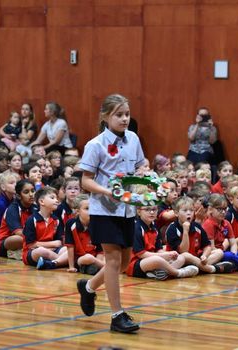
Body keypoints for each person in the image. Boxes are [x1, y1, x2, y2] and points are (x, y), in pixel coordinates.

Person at [76, 94, 145, 333]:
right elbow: (86, 181)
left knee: (124, 262)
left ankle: (89, 287)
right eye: (119, 114)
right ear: (106, 117)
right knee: (113, 260)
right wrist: (107, 192)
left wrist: (148, 177)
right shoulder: (95, 145)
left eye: (127, 114)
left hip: (128, 210)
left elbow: (140, 165)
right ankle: (117, 316)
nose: (125, 119)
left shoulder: (134, 138)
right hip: (104, 209)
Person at [127, 202, 201, 280]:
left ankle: (158, 273)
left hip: (153, 259)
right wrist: (163, 256)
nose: (152, 212)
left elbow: (159, 249)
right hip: (136, 264)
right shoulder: (136, 227)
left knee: (180, 258)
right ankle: (178, 273)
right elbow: (141, 254)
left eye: (154, 209)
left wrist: (168, 254)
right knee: (157, 260)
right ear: (139, 211)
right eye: (147, 209)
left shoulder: (154, 226)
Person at [22, 186, 68, 269]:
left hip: (53, 250)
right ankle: (63, 261)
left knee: (67, 250)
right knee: (42, 251)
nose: (57, 200)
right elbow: (31, 245)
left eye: (56, 198)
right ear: (42, 201)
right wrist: (52, 244)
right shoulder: (32, 220)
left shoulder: (56, 220)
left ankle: (50, 263)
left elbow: (59, 242)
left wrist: (54, 246)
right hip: (32, 252)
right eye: (52, 198)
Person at [65, 194, 105, 274]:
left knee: (110, 257)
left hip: (95, 257)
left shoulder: (98, 225)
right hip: (80, 258)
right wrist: (71, 267)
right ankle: (105, 267)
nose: (91, 211)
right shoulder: (71, 223)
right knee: (88, 258)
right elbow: (70, 246)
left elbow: (100, 249)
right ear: (77, 211)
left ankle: (90, 268)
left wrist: (98, 260)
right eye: (87, 208)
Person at [0, 179, 36, 260]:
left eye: (33, 191)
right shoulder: (12, 209)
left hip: (30, 240)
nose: (31, 194)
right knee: (19, 239)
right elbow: (19, 233)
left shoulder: (36, 208)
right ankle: (15, 252)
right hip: (6, 243)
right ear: (18, 196)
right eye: (26, 192)